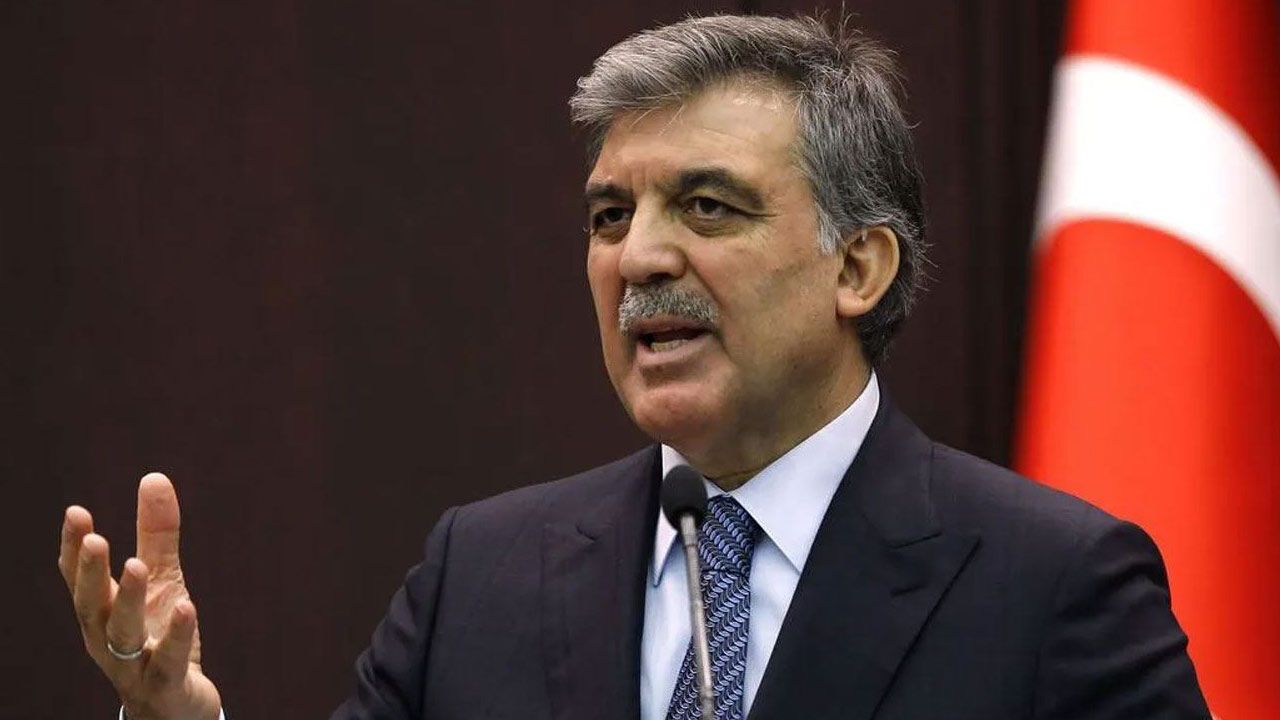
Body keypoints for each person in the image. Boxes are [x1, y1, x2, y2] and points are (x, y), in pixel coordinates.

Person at [59, 13, 1211, 720]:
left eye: (706, 207)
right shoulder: (481, 574)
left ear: (857, 266)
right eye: (609, 216)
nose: (638, 257)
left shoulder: (1050, 586)